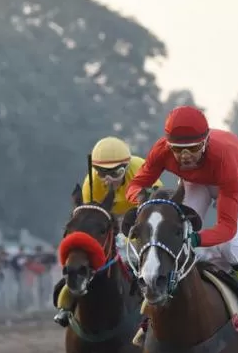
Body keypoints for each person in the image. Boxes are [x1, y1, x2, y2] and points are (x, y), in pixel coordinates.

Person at [125, 105, 238, 352]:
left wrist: (196, 238)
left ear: (206, 142)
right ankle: (152, 314)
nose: (186, 157)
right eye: (178, 150)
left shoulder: (224, 158)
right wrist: (140, 196)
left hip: (233, 177)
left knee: (231, 247)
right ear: (168, 145)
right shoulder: (160, 150)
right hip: (195, 182)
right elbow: (135, 184)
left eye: (193, 149)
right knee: (172, 238)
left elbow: (227, 228)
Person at [53, 136, 162, 327]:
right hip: (109, 219)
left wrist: (132, 239)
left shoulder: (143, 172)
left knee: (145, 259)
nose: (108, 179)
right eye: (102, 173)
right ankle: (67, 304)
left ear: (127, 167)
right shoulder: (90, 185)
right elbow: (91, 221)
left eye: (115, 172)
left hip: (140, 216)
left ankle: (157, 301)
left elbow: (154, 212)